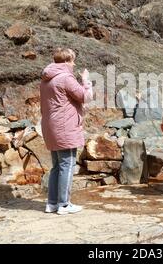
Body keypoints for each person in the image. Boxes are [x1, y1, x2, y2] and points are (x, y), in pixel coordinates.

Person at [40, 48, 92, 215]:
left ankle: (52, 203)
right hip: (65, 127)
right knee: (67, 165)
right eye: (72, 60)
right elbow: (85, 97)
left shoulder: (46, 79)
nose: (74, 63)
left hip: (50, 126)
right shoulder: (65, 78)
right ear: (67, 61)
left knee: (56, 166)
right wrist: (86, 81)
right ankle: (64, 204)